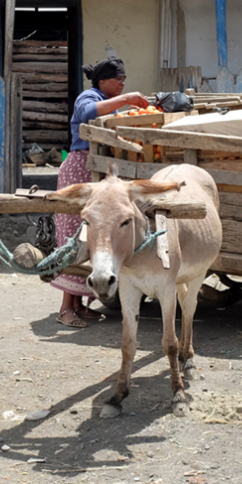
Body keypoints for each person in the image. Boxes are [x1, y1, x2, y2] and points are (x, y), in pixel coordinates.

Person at [51, 57, 149, 328]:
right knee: (74, 237)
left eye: (124, 80)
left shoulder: (107, 102)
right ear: (102, 80)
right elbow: (86, 114)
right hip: (79, 171)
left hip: (97, 174)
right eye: (118, 79)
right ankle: (65, 308)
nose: (122, 83)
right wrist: (126, 98)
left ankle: (80, 305)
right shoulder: (88, 97)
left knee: (95, 239)